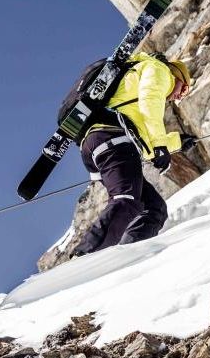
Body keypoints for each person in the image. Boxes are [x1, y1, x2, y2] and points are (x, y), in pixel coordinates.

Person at [73, 54, 197, 257]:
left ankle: (126, 257)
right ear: (178, 76)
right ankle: (85, 257)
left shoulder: (134, 87)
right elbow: (150, 103)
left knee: (154, 209)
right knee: (126, 200)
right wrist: (159, 146)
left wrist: (176, 143)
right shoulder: (159, 71)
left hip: (103, 143)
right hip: (111, 137)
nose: (179, 97)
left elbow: (142, 137)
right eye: (183, 89)